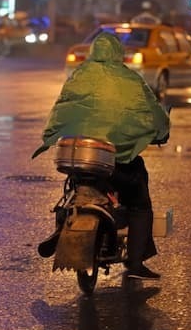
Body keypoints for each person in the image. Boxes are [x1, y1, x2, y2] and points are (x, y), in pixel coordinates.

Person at [32, 32, 170, 280]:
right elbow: (151, 112)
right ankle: (135, 262)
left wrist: (49, 136)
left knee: (73, 189)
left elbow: (63, 108)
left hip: (77, 157)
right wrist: (161, 131)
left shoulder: (79, 75)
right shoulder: (130, 79)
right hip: (113, 161)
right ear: (118, 53)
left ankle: (64, 222)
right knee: (139, 200)